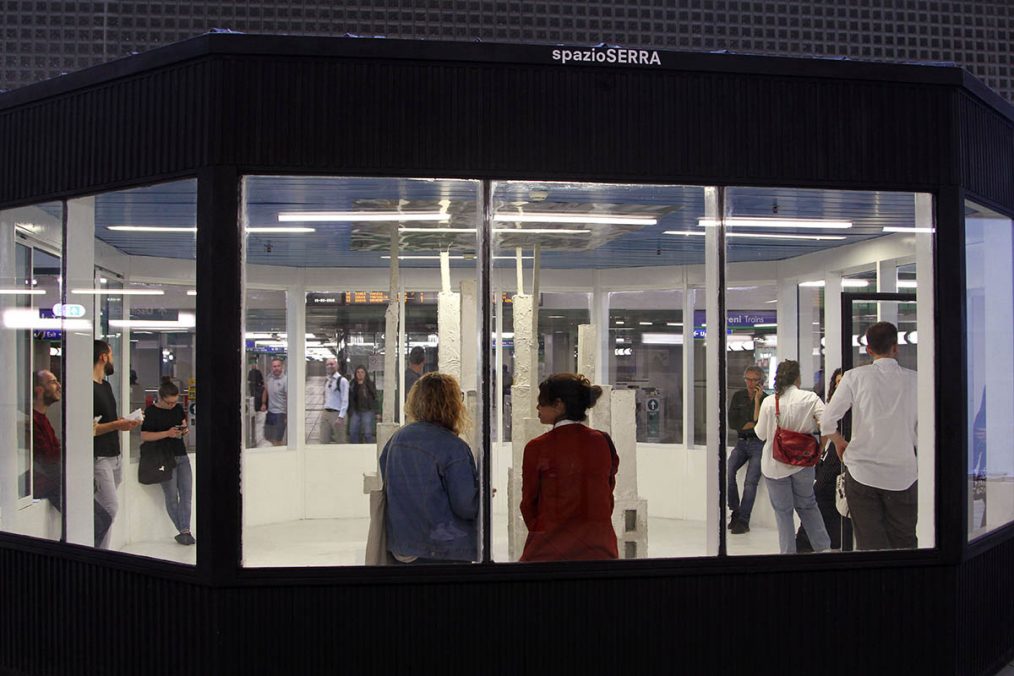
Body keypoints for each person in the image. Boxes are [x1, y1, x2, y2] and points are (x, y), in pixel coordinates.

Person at [821, 321, 918, 550]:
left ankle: (874, 585)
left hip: (862, 472)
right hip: (903, 473)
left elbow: (827, 421)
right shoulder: (916, 380)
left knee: (869, 543)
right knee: (904, 540)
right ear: (896, 347)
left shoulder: (854, 377)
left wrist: (838, 441)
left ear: (868, 349)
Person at [379, 372, 478, 563]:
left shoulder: (396, 439)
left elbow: (389, 482)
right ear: (452, 404)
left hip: (402, 548)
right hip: (442, 551)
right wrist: (481, 495)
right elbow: (466, 506)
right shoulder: (453, 448)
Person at [520, 373, 619, 562]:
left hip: (549, 551)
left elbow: (529, 504)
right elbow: (607, 494)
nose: (537, 407)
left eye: (542, 402)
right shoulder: (603, 442)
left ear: (559, 405)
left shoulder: (537, 447)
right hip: (600, 549)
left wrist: (544, 530)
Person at [755, 359, 831, 554]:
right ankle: (823, 549)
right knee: (808, 505)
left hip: (775, 465)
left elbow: (761, 434)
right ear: (797, 377)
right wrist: (821, 446)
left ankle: (788, 554)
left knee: (783, 512)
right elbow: (828, 425)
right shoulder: (810, 398)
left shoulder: (769, 401)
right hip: (803, 463)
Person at [32, 369, 113, 539]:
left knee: (102, 520)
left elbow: (52, 453)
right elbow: (47, 459)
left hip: (54, 480)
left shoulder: (42, 419)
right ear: (39, 390)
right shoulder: (33, 420)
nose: (59, 385)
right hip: (48, 482)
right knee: (98, 522)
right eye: (53, 382)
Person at [93, 340, 141, 549]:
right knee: (109, 508)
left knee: (104, 509)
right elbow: (91, 428)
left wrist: (123, 422)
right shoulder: (88, 387)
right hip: (99, 456)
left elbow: (107, 419)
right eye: (110, 354)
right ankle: (98, 552)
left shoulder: (106, 385)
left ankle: (102, 550)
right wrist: (116, 424)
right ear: (103, 357)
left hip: (115, 455)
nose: (112, 359)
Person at [796, 368, 849, 551]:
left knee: (829, 496)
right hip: (833, 454)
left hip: (846, 454)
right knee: (822, 495)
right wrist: (819, 452)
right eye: (837, 382)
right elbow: (827, 430)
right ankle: (808, 539)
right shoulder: (834, 405)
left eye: (843, 381)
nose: (839, 385)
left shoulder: (856, 404)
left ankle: (819, 539)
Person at [141, 376, 194, 545]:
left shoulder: (177, 409)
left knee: (186, 495)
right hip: (163, 458)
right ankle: (184, 530)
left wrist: (184, 431)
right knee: (172, 496)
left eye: (174, 402)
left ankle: (184, 531)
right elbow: (145, 436)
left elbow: (183, 425)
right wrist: (167, 433)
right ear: (161, 398)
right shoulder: (150, 412)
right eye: (169, 403)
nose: (172, 405)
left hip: (181, 455)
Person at [727, 365, 767, 534]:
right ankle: (735, 510)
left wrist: (757, 401)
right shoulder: (738, 397)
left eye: (754, 380)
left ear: (761, 382)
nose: (750, 383)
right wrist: (749, 425)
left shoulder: (766, 400)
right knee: (729, 471)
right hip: (741, 442)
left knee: (750, 482)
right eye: (748, 379)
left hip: (758, 443)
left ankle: (743, 520)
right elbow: (733, 422)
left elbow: (760, 426)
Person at [320, 358, 349, 444]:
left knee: (340, 441)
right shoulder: (327, 380)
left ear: (337, 366)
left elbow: (345, 400)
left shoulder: (342, 381)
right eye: (328, 364)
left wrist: (341, 417)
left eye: (332, 364)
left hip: (337, 414)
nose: (330, 366)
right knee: (323, 441)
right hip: (326, 414)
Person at [260, 357, 287, 446]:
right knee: (268, 437)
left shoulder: (285, 380)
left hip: (280, 414)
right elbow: (265, 390)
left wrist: (287, 415)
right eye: (274, 366)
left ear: (282, 367)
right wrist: (263, 403)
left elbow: (288, 398)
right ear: (272, 367)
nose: (276, 368)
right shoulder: (269, 377)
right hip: (270, 413)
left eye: (278, 366)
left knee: (277, 439)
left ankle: (280, 456)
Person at [348, 365, 378, 444]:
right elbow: (350, 398)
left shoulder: (370, 384)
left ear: (365, 374)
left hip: (367, 410)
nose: (360, 374)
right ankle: (355, 449)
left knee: (367, 433)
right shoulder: (352, 384)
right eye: (358, 372)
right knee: (353, 431)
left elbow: (375, 398)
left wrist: (377, 412)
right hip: (355, 410)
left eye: (362, 372)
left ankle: (369, 448)